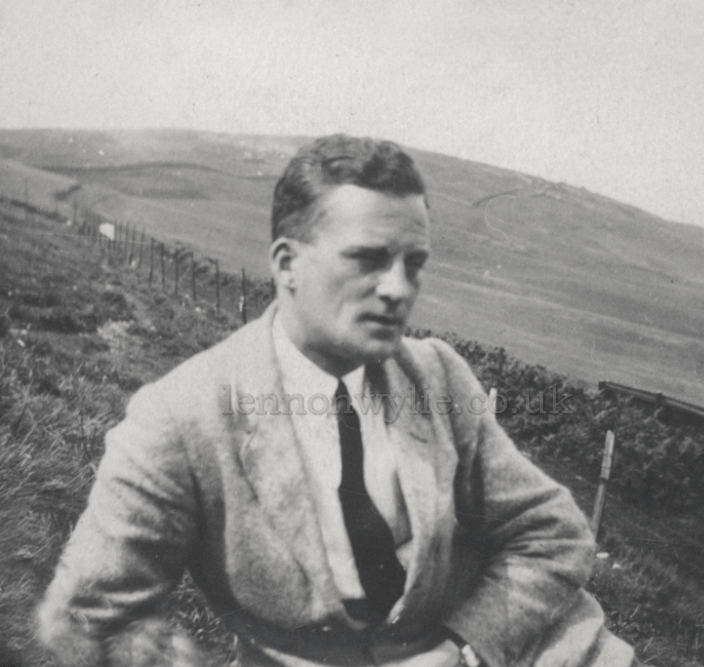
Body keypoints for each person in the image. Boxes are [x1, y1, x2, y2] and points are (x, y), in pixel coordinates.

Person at [37, 135, 635, 667]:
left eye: (414, 264)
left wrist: (464, 648)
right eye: (368, 258)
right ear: (287, 264)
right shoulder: (179, 419)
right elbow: (87, 619)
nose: (399, 289)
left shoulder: (436, 376)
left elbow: (552, 533)